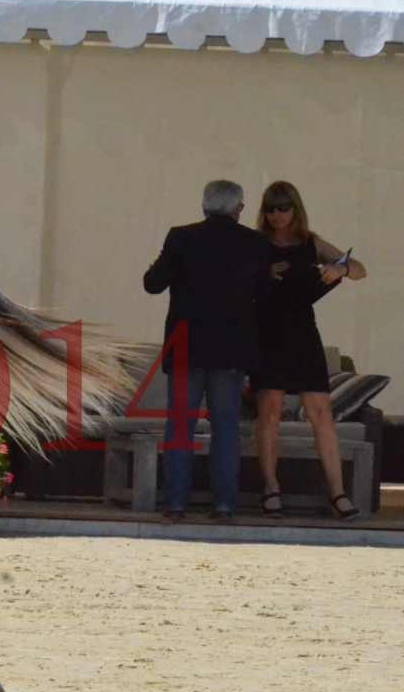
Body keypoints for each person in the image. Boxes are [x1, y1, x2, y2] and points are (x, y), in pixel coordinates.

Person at [143, 180, 272, 521]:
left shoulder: (180, 237)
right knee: (226, 428)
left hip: (186, 346)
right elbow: (266, 295)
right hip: (231, 349)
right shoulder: (254, 243)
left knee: (181, 425)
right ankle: (225, 504)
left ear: (203, 205)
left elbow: (152, 283)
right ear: (238, 209)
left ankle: (175, 503)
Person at [250, 180, 369, 520]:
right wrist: (263, 272)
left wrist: (340, 269)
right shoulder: (256, 243)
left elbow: (360, 269)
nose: (276, 215)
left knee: (321, 412)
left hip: (303, 332)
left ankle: (338, 493)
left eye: (283, 207)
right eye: (270, 208)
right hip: (267, 333)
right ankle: (271, 488)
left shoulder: (310, 242)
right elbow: (235, 278)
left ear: (295, 208)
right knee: (269, 413)